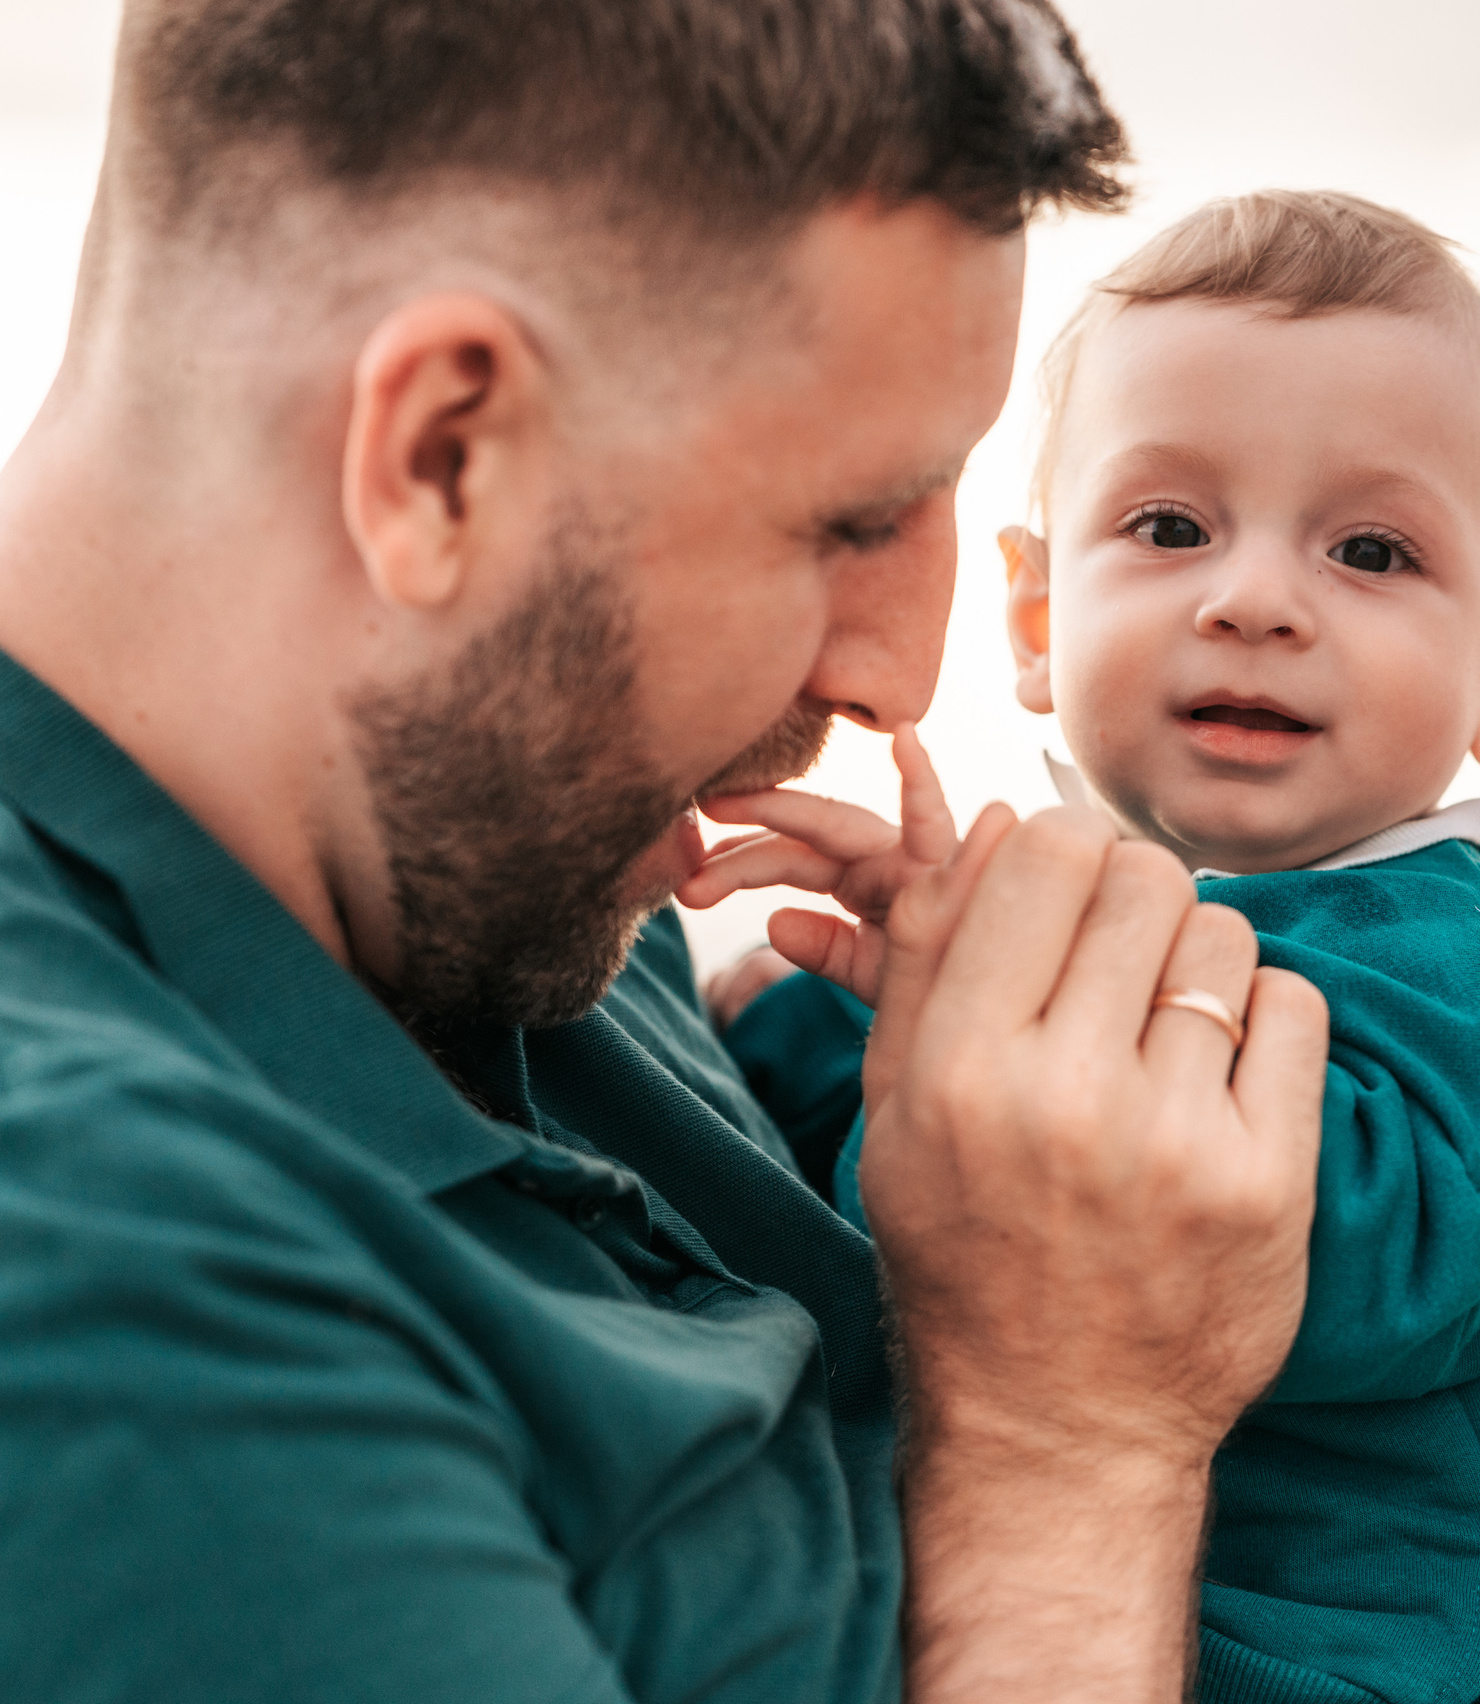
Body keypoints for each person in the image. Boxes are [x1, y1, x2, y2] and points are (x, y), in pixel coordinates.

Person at [0, 3, 1338, 1700]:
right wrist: (1072, 1447)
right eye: (847, 523)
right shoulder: (104, 1310)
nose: (897, 675)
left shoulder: (512, 854)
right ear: (441, 456)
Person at [697, 191, 1480, 1704]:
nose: (1255, 600)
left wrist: (985, 996)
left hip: (1460, 1650)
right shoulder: (1061, 891)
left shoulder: (1457, 965)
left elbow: (1313, 1262)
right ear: (1033, 614)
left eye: (1373, 552)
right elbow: (875, 1184)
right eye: (1170, 528)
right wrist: (790, 1025)